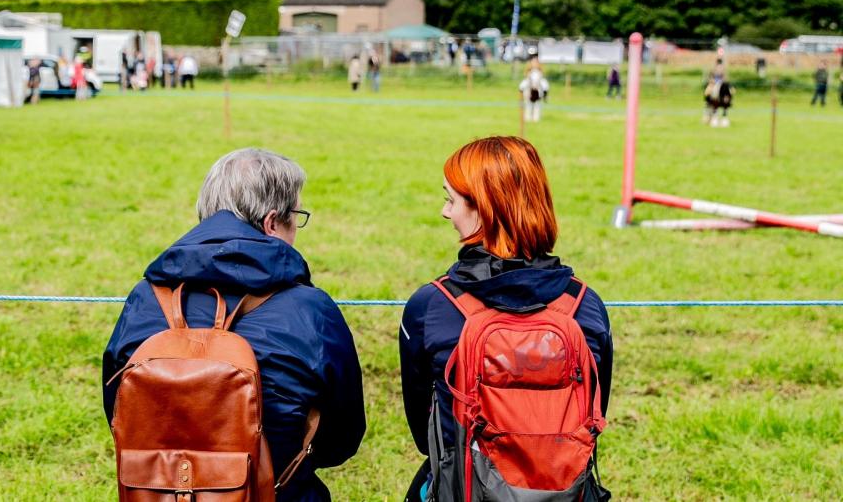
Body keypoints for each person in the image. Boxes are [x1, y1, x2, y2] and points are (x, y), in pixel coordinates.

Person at [103, 148, 366, 501]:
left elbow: (118, 414)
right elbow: (341, 439)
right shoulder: (312, 309)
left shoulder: (144, 297)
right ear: (272, 223)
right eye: (296, 217)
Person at [400, 136, 613, 502]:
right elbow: (595, 413)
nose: (445, 212)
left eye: (451, 200)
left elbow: (426, 433)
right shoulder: (585, 307)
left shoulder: (430, 306)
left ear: (483, 210)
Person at [703, 60, 732, 127]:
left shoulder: (724, 72)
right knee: (708, 92)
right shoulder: (713, 71)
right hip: (714, 85)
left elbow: (726, 80)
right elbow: (710, 79)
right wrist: (713, 82)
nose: (719, 67)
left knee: (728, 91)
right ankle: (708, 102)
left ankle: (727, 104)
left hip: (722, 87)